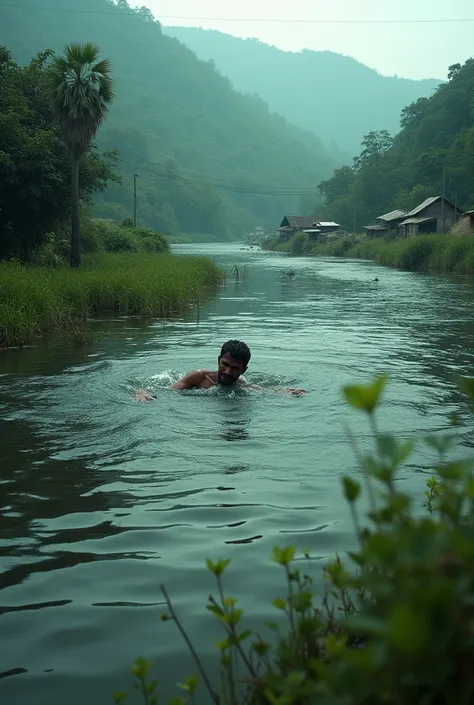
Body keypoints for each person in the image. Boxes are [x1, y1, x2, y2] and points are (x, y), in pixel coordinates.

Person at [133, 339, 306, 399]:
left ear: (243, 370)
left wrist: (285, 391)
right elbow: (164, 391)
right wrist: (141, 391)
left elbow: (264, 391)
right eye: (225, 364)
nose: (228, 372)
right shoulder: (199, 377)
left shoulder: (241, 384)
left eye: (235, 368)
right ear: (218, 360)